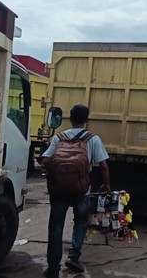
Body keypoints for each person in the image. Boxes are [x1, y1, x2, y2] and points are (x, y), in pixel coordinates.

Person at [41, 104, 111, 278]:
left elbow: (46, 160)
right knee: (80, 222)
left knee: (55, 228)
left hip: (58, 191)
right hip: (81, 190)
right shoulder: (92, 139)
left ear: (70, 119)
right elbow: (103, 165)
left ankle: (53, 269)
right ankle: (73, 256)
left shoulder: (59, 137)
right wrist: (106, 185)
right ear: (87, 120)